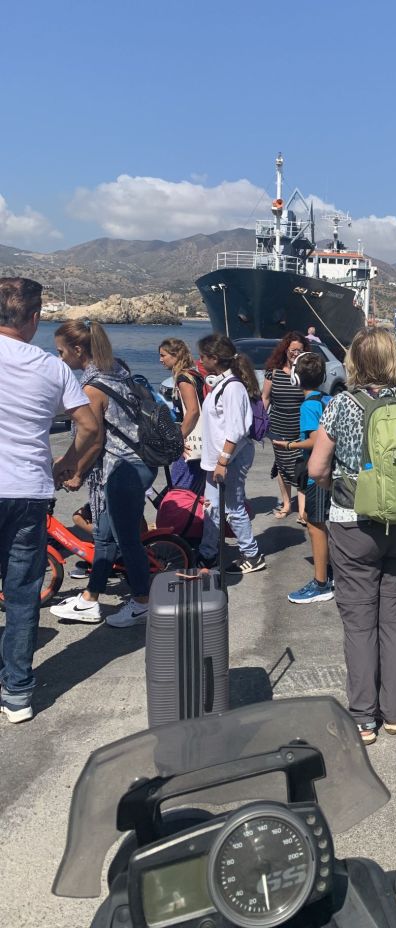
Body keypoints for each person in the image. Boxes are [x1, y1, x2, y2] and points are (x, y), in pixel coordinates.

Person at [308, 327, 396, 744]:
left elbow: (316, 469)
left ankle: (363, 718)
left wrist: (338, 486)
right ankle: (394, 714)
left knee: (359, 621)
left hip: (353, 523)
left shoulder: (340, 404)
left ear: (354, 361)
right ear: (392, 361)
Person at [0, 279, 100, 721]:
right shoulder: (51, 367)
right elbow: (90, 426)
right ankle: (18, 694)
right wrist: (69, 463)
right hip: (28, 491)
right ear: (35, 319)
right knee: (22, 595)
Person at [50, 319, 159, 628]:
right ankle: (89, 599)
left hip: (123, 470)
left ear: (77, 349)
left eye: (61, 352)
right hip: (138, 464)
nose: (60, 358)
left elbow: (95, 440)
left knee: (127, 540)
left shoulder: (92, 388)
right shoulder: (117, 370)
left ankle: (142, 603)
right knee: (104, 536)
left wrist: (75, 472)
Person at [196, 333, 265, 573]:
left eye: (203, 356)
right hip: (217, 459)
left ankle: (252, 555)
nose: (200, 360)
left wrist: (223, 461)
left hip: (230, 458)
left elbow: (236, 429)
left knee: (233, 508)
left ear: (214, 358)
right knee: (212, 507)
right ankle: (208, 553)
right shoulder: (222, 384)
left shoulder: (233, 388)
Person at [284, 353, 333, 604]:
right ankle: (330, 570)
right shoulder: (329, 399)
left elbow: (314, 441)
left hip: (317, 475)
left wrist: (290, 445)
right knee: (325, 522)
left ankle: (321, 583)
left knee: (315, 526)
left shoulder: (308, 406)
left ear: (296, 379)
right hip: (333, 471)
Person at [261, 332, 310, 521]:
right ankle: (287, 503)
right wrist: (261, 422)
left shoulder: (305, 372)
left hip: (300, 427)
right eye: (292, 350)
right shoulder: (273, 371)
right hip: (278, 427)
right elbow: (265, 398)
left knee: (301, 466)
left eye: (300, 350)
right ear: (285, 350)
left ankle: (303, 510)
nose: (295, 353)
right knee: (282, 466)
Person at [158, 338, 205, 489]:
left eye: (163, 355)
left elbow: (193, 411)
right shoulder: (194, 374)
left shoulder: (184, 379)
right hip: (202, 437)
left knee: (180, 484)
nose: (160, 360)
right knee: (196, 485)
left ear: (176, 355)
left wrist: (179, 439)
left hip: (191, 439)